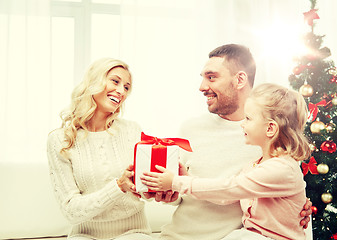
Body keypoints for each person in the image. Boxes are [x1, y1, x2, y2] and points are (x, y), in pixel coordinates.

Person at [128, 44, 312, 240]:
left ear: (240, 79)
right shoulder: (191, 129)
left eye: (211, 77)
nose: (202, 87)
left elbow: (239, 189)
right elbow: (184, 192)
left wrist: (298, 210)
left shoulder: (270, 144)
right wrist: (170, 189)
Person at [46, 58, 153, 240]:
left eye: (127, 87)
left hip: (133, 232)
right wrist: (118, 186)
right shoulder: (60, 139)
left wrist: (153, 188)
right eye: (115, 81)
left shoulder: (131, 130)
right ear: (94, 82)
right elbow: (71, 211)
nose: (121, 91)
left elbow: (144, 191)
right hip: (85, 234)